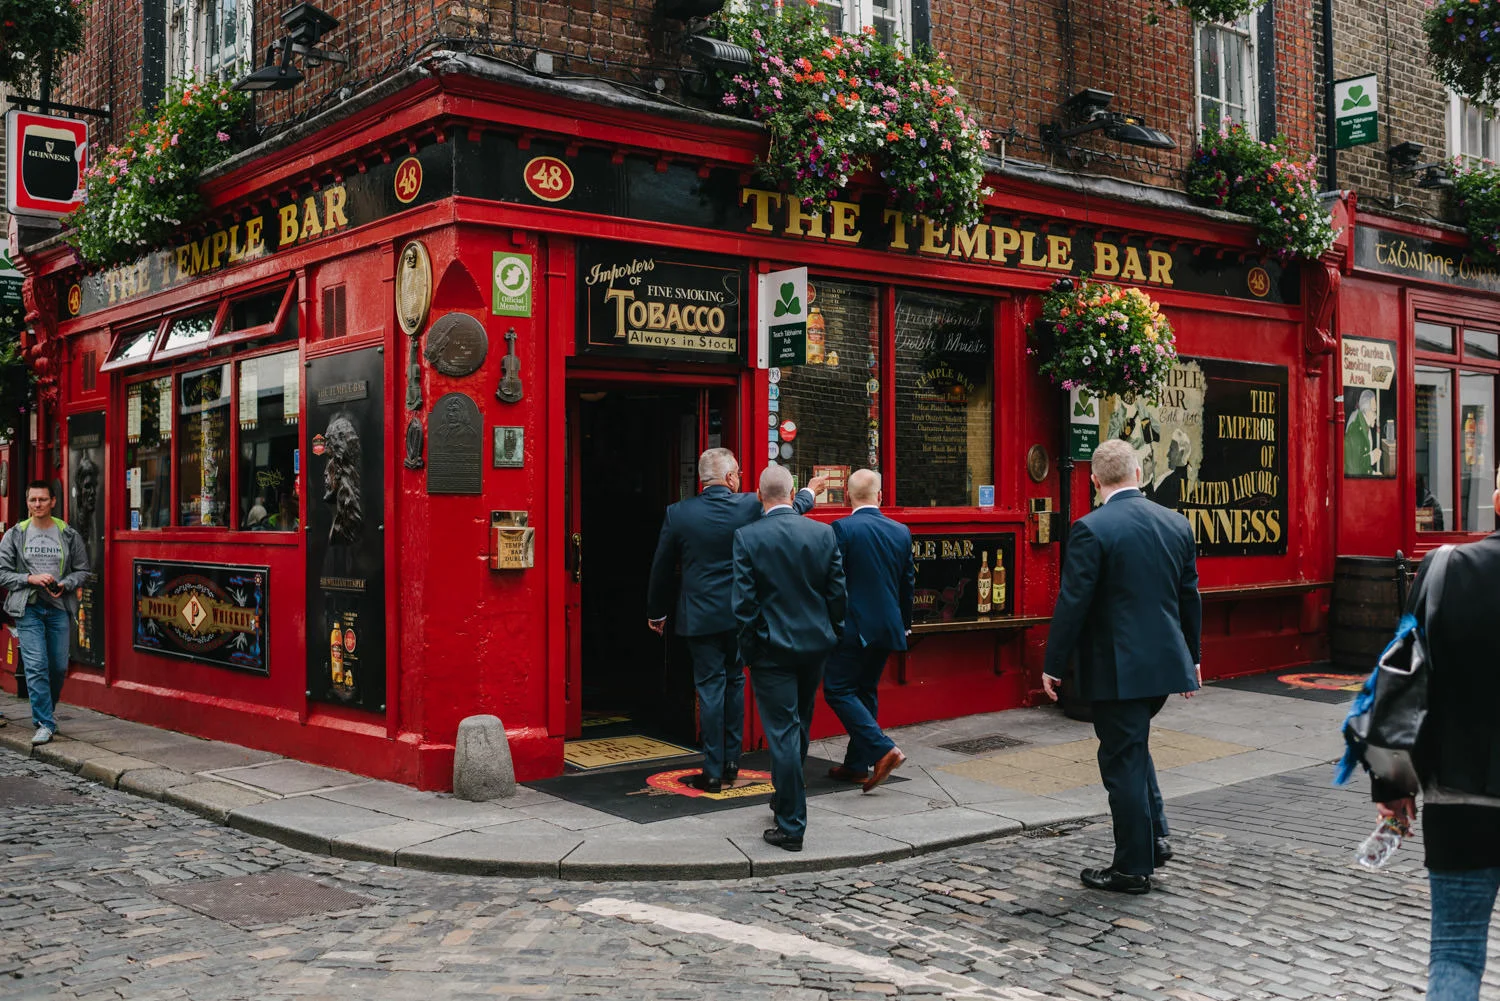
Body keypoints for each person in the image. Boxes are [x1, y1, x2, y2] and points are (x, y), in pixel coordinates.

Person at [1041, 439, 1201, 894]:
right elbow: (1189, 596)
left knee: (1121, 762)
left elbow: (1073, 602)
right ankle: (1155, 838)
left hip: (1118, 669)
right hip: (1164, 666)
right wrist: (1193, 656)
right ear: (1138, 473)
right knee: (1133, 747)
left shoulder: (1091, 528)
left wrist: (1053, 664)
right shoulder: (1175, 523)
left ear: (1094, 481)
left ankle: (1132, 868)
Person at [1373, 470, 1500, 1001]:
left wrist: (1393, 785)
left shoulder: (1445, 567)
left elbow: (1400, 684)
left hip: (1459, 792)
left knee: (1455, 953)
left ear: (1497, 500)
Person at [645, 449, 822, 793]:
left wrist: (657, 611)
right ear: (729, 478)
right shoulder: (749, 506)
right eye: (738, 473)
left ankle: (712, 770)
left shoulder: (678, 513)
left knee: (710, 689)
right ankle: (731, 761)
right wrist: (809, 492)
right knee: (735, 682)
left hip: (699, 616)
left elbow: (661, 567)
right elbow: (788, 510)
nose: (739, 478)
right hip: (740, 615)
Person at [732, 464, 846, 851]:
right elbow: (837, 593)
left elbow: (744, 605)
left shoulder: (748, 537)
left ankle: (792, 824)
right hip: (814, 646)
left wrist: (751, 651)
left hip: (772, 651)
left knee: (782, 733)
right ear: (793, 492)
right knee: (798, 728)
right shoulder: (822, 533)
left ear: (759, 496)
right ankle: (785, 800)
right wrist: (834, 633)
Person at [825, 469, 913, 792]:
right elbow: (907, 583)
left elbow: (833, 583)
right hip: (888, 626)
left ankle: (883, 749)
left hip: (853, 626)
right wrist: (905, 624)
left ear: (847, 496)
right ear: (880, 496)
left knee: (837, 689)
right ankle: (856, 766)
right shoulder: (901, 531)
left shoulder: (842, 529)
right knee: (865, 690)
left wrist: (830, 622)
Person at [0, 481, 92, 746]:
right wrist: (29, 578)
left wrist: (66, 584)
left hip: (58, 608)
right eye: (33, 500)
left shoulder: (68, 534)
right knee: (36, 664)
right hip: (27, 607)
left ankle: (45, 713)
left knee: (58, 667)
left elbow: (83, 570)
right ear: (27, 503)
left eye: (42, 499)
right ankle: (44, 722)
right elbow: (2, 573)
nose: (37, 504)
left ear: (53, 502)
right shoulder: (16, 534)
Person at [1345, 389, 1382, 476]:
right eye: (1374, 411)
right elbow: (1354, 466)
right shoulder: (1356, 429)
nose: (1376, 416)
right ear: (1367, 411)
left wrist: (1373, 473)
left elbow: (1363, 466)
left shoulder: (1365, 426)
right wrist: (1372, 458)